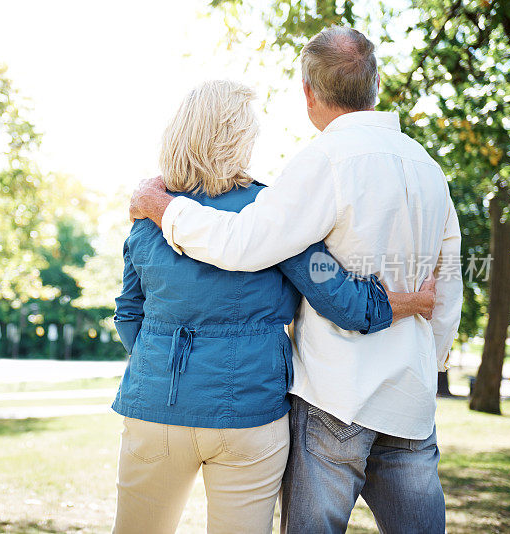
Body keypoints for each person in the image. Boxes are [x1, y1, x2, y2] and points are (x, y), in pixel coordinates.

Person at [128, 28, 463, 534]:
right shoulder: (429, 168)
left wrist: (163, 208)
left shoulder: (320, 164)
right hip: (393, 398)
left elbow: (236, 247)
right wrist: (422, 346)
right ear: (373, 85)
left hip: (328, 394)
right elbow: (436, 287)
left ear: (309, 91)